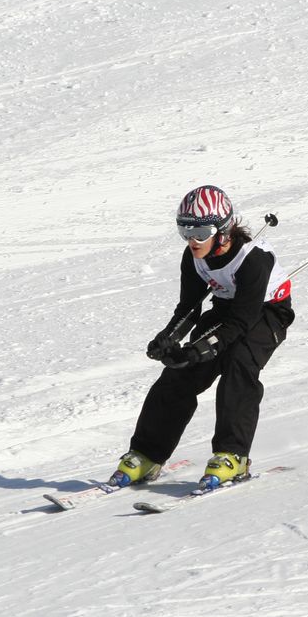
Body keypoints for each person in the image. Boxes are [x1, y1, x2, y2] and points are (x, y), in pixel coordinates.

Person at [109, 185, 295, 490]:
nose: (192, 240)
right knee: (180, 373)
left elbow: (241, 323)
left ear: (223, 230)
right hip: (225, 310)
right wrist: (169, 339)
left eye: (200, 232)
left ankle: (233, 455)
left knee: (238, 363)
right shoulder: (193, 256)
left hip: (267, 313)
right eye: (184, 231)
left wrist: (201, 348)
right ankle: (147, 454)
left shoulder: (253, 261)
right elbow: (189, 307)